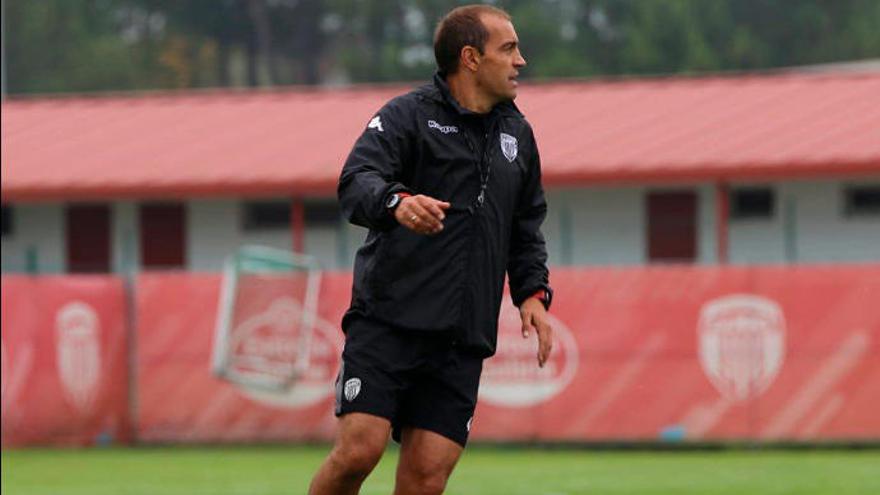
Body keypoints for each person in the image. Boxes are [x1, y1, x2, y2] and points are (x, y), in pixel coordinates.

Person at [309, 4, 553, 494]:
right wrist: (396, 202)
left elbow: (525, 225)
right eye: (507, 49)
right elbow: (355, 182)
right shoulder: (408, 116)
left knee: (426, 479)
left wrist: (532, 292)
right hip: (389, 321)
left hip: (462, 337)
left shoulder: (518, 136)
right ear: (470, 58)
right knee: (359, 450)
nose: (520, 61)